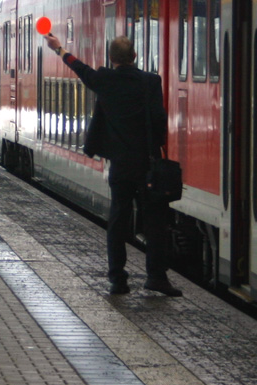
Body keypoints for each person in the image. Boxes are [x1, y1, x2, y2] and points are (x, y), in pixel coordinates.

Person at [44, 31, 182, 297]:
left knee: (118, 220)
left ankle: (118, 279)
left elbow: (79, 67)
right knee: (155, 222)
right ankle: (156, 277)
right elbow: (158, 119)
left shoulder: (104, 79)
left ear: (111, 58)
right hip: (147, 163)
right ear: (135, 57)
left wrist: (58, 48)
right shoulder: (151, 82)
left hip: (120, 164)